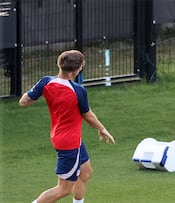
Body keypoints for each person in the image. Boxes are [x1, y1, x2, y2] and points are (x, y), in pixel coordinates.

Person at [19, 50, 116, 203]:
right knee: (63, 189)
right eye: (81, 67)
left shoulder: (46, 82)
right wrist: (102, 128)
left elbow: (24, 101)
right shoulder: (78, 91)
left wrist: (35, 95)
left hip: (66, 138)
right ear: (74, 72)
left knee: (85, 172)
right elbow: (88, 115)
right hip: (69, 143)